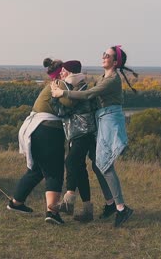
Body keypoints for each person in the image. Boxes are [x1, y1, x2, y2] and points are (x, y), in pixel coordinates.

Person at [51, 45, 138, 227]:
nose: (104, 56)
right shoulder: (103, 77)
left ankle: (121, 208)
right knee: (99, 165)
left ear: (115, 62)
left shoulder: (112, 79)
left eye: (108, 55)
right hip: (103, 119)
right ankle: (110, 204)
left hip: (110, 120)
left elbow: (90, 94)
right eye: (104, 54)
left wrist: (62, 93)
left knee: (105, 166)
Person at [6, 58, 69, 225]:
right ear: (62, 73)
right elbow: (70, 103)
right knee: (54, 172)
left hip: (35, 130)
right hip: (48, 130)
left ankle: (16, 203)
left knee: (37, 170)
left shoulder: (51, 86)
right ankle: (52, 212)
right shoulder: (60, 85)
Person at [51, 60, 115, 223]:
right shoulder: (82, 88)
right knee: (80, 170)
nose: (61, 74)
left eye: (64, 71)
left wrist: (54, 96)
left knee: (71, 162)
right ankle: (88, 210)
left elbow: (61, 112)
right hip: (86, 133)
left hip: (83, 133)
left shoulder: (77, 92)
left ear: (71, 73)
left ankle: (68, 201)